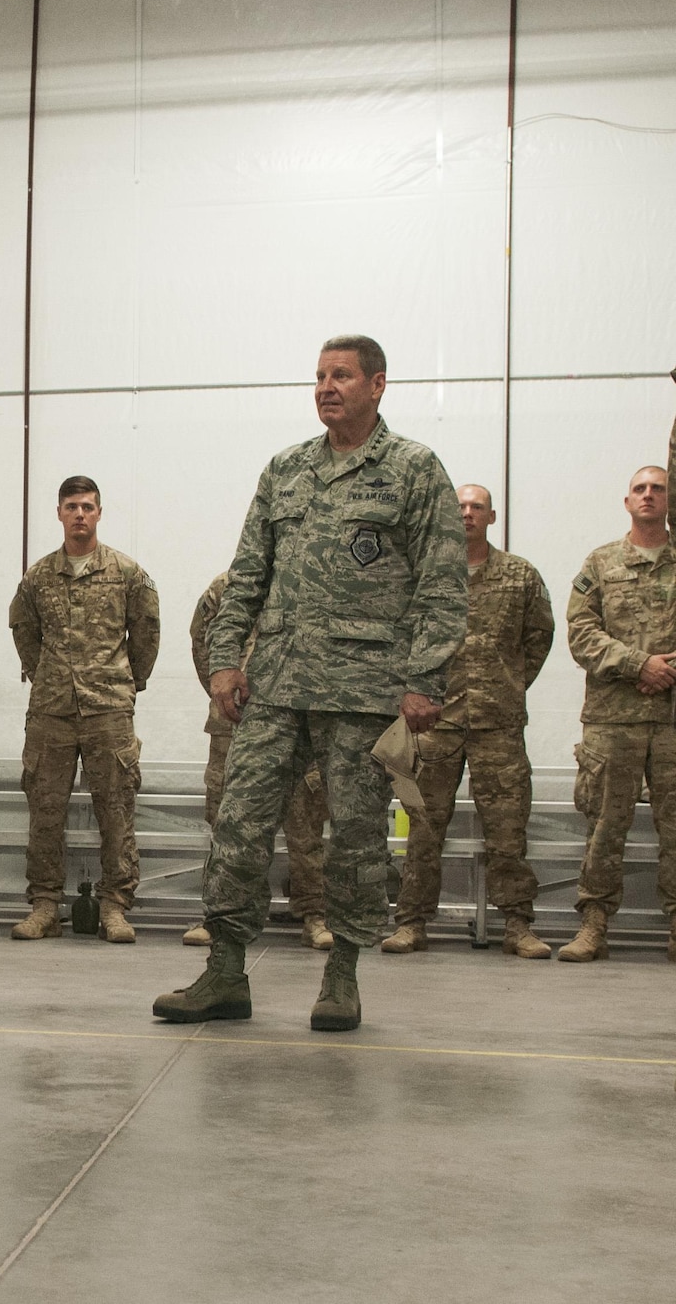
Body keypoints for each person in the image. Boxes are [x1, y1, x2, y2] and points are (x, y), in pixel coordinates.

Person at [155, 334, 464, 1032]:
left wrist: (423, 680)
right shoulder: (285, 470)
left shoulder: (414, 471)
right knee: (236, 824)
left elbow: (443, 588)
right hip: (276, 687)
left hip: (362, 692)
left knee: (354, 837)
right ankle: (225, 971)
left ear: (377, 385)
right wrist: (226, 660)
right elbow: (245, 577)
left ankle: (343, 976)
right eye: (320, 376)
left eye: (342, 375)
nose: (327, 386)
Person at [384, 484, 554, 958]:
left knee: (506, 830)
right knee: (423, 827)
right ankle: (411, 922)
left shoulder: (519, 576)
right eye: (459, 506)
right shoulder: (424, 576)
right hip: (434, 723)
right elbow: (400, 638)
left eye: (476, 507)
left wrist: (509, 685)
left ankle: (518, 926)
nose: (466, 514)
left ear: (492, 516)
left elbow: (538, 638)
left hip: (497, 724)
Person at [8, 476, 159, 943]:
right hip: (51, 711)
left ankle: (115, 906)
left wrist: (125, 681)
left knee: (115, 810)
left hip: (108, 710)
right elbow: (22, 629)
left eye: (87, 506)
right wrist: (46, 674)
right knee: (45, 811)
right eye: (71, 506)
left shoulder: (127, 573)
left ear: (99, 512)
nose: (79, 514)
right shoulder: (37, 577)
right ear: (58, 513)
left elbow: (147, 632)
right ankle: (45, 905)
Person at [559, 465, 676, 963]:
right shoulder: (601, 563)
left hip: (672, 722)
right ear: (626, 501)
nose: (648, 495)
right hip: (612, 720)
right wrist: (639, 665)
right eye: (640, 489)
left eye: (658, 489)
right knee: (604, 827)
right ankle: (594, 926)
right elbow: (581, 634)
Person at [184, 572, 332, 950]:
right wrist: (224, 695)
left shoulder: (319, 579)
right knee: (228, 823)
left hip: (299, 715)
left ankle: (315, 914)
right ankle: (220, 917)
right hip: (235, 721)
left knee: (306, 823)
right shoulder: (226, 587)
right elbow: (204, 644)